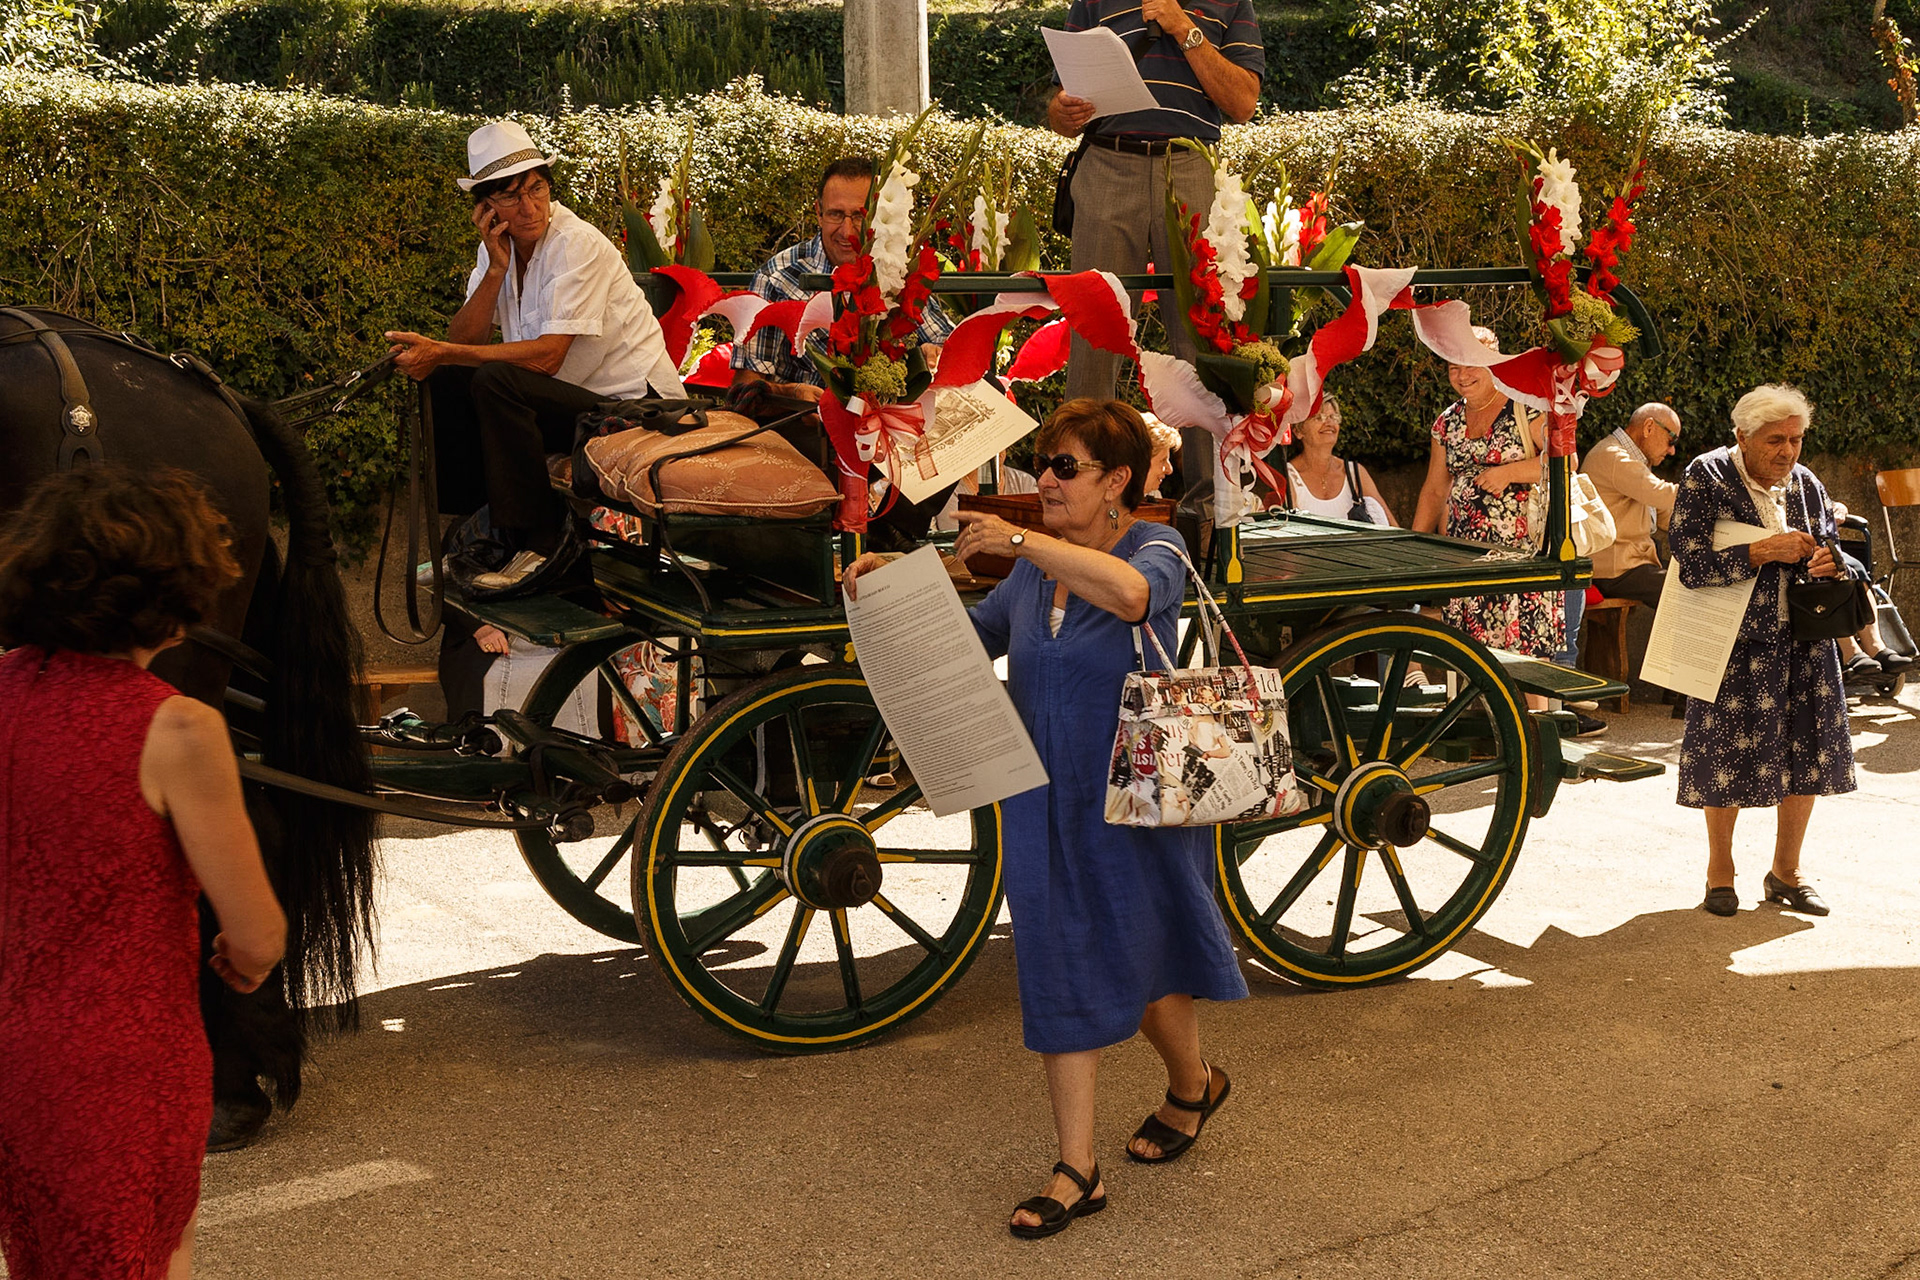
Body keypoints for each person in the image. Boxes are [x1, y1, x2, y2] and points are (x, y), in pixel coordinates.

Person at [844, 400, 1246, 1239]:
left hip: (1135, 797)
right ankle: (1078, 1168)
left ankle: (1193, 1082)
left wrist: (1019, 539)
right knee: (1062, 960)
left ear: (1116, 482)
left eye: (1064, 468)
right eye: (1044, 466)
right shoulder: (1034, 575)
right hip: (1039, 796)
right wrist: (893, 585)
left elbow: (1136, 599)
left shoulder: (1154, 547)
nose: (1047, 481)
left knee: (1149, 959)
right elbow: (968, 633)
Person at [0, 467, 287, 1280]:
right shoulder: (177, 728)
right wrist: (244, 958)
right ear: (174, 601)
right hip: (118, 1059)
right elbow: (258, 935)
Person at [386, 120, 686, 592]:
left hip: (633, 407)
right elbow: (464, 335)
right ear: (486, 208)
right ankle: (474, 532)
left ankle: (541, 544)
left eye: (537, 188)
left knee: (492, 379)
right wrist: (494, 273)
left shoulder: (576, 243)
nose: (529, 207)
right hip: (571, 403)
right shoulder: (496, 250)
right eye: (510, 197)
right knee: (446, 377)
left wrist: (445, 350)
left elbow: (547, 359)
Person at [1046, 0, 1264, 496]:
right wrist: (1061, 112)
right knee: (1093, 347)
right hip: (1106, 165)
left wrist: (1183, 26)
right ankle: (1078, 499)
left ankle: (1210, 509)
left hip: (1189, 167)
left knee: (1202, 343)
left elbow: (1243, 101)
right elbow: (1064, 104)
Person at [1670, 384, 1854, 917]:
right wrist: (1760, 551)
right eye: (1776, 440)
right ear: (1742, 437)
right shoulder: (1707, 475)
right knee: (1724, 756)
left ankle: (1786, 872)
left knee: (1808, 755)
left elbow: (1832, 549)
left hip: (1802, 641)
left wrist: (1829, 562)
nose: (1788, 452)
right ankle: (1719, 871)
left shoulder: (1808, 483)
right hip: (1735, 643)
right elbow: (1689, 561)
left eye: (1796, 440)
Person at [1410, 328, 1572, 716]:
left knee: (1526, 654)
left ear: (1494, 362)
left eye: (1471, 365)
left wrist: (1509, 472)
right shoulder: (1446, 423)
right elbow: (1434, 489)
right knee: (1481, 654)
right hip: (1469, 555)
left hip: (1521, 554)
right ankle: (1503, 736)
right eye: (1453, 367)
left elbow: (1564, 463)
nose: (1462, 375)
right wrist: (1414, 545)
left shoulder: (1525, 407)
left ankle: (1542, 737)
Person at [730, 156, 956, 400]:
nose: (848, 231)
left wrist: (932, 353)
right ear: (818, 212)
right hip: (805, 430)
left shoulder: (895, 269)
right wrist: (791, 393)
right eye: (836, 214)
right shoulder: (777, 278)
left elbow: (949, 345)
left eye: (860, 215)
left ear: (879, 215)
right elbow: (743, 390)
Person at [1581, 402, 1682, 608]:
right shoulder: (1613, 456)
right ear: (1649, 427)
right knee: (1685, 592)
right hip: (1614, 568)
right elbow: (1660, 493)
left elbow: (1666, 516)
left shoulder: (1633, 460)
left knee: (1695, 583)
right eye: (1671, 440)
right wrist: (1707, 491)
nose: (1672, 450)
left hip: (1629, 565)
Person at [1284, 395, 1396, 524]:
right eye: (1319, 418)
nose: (1329, 423)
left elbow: (1393, 528)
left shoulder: (1355, 473)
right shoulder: (1288, 477)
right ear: (1298, 431)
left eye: (1333, 417)